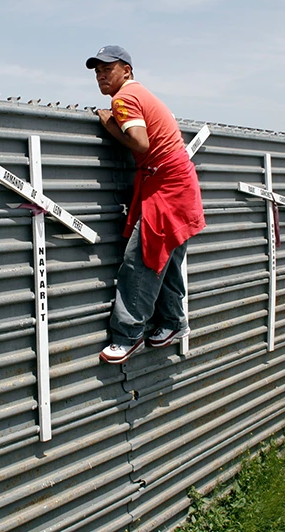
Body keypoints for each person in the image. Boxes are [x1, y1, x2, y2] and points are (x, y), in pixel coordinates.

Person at [86, 45, 205, 364]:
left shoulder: (123, 99)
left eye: (107, 69)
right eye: (97, 71)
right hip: (176, 184)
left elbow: (140, 142)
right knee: (165, 258)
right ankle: (172, 323)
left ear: (126, 70)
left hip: (166, 188)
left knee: (142, 260)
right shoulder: (142, 94)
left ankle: (128, 335)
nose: (101, 76)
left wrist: (109, 125)